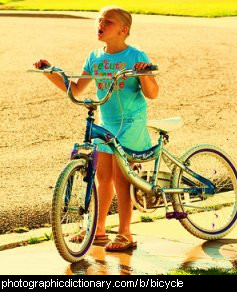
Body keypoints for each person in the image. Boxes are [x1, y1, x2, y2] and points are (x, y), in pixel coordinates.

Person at [34, 6, 159, 252]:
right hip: (107, 123)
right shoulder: (94, 57)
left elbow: (153, 93)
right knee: (103, 178)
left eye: (108, 22)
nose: (100, 24)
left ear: (123, 30)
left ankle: (125, 233)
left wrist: (145, 74)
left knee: (122, 179)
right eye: (99, 20)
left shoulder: (135, 56)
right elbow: (77, 89)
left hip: (131, 123)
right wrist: (49, 72)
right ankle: (98, 229)